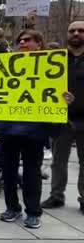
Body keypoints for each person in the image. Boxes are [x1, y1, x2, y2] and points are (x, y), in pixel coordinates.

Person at [0, 29, 73, 229]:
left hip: (34, 131)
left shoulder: (50, 67)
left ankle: (33, 212)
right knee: (8, 172)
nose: (22, 43)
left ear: (39, 44)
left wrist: (65, 100)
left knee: (31, 173)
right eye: (20, 40)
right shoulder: (6, 65)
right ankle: (12, 207)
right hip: (8, 128)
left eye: (27, 40)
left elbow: (57, 92)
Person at [42, 20, 84, 213]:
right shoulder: (55, 59)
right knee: (58, 161)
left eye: (81, 30)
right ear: (67, 34)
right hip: (62, 118)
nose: (76, 33)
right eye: (72, 30)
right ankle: (56, 195)